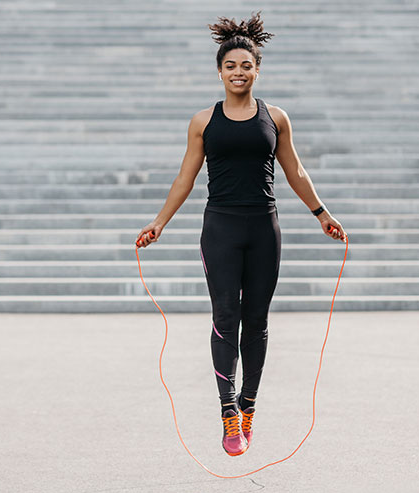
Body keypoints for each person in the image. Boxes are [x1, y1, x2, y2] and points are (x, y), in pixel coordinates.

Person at [135, 10, 347, 457]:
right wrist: (159, 223)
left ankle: (249, 406)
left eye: (246, 65)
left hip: (264, 228)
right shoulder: (202, 121)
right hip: (221, 228)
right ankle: (228, 411)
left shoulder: (277, 118)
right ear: (219, 72)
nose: (238, 72)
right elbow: (184, 179)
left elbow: (295, 170)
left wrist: (321, 213)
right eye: (230, 66)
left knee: (258, 321)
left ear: (257, 69)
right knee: (225, 318)